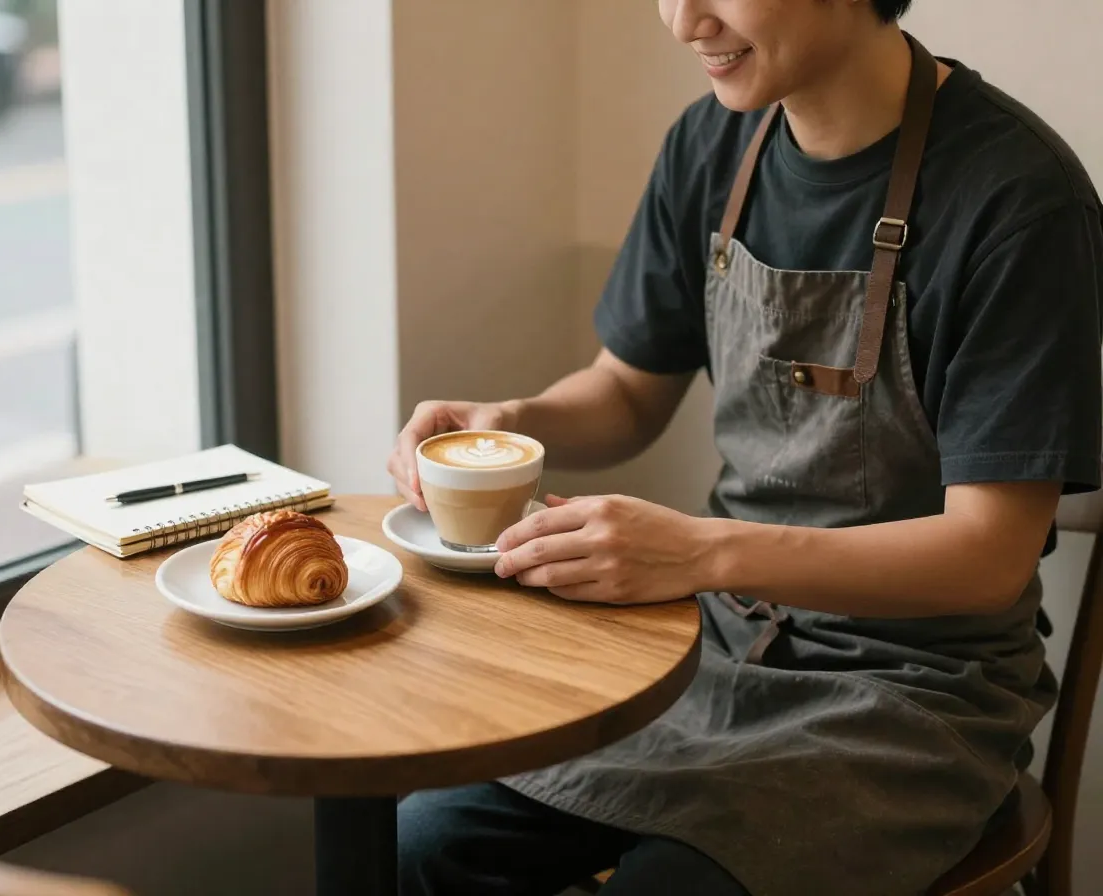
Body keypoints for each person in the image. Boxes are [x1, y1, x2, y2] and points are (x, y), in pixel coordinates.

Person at [386, 1, 1103, 894]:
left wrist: (700, 552)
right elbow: (626, 396)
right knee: (418, 843)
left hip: (918, 694)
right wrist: (511, 419)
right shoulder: (711, 144)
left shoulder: (1019, 197)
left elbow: (988, 558)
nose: (684, 21)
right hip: (707, 651)